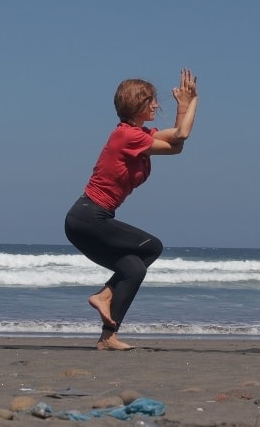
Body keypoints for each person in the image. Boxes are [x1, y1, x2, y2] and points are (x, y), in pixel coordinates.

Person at [64, 68, 199, 350]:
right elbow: (181, 133)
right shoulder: (127, 137)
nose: (156, 105)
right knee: (152, 247)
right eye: (151, 100)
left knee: (134, 269)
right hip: (89, 216)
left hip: (91, 219)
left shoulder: (138, 135)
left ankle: (107, 336)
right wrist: (191, 101)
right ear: (137, 104)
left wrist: (183, 107)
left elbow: (176, 146)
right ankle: (105, 295)